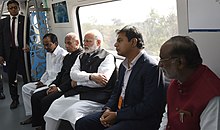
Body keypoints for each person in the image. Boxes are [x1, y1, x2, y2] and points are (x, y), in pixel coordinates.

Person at [75, 25, 166, 130]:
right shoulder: (123, 65)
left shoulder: (151, 67)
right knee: (82, 123)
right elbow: (116, 92)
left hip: (140, 119)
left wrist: (118, 115)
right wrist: (108, 109)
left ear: (133, 42)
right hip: (119, 111)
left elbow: (149, 106)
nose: (115, 44)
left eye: (120, 40)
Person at [44, 29, 117, 130]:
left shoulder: (107, 57)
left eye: (88, 41)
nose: (85, 44)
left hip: (97, 96)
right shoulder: (81, 56)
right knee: (55, 106)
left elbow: (101, 83)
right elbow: (73, 74)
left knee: (73, 113)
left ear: (98, 42)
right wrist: (91, 76)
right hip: (80, 92)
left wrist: (78, 82)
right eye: (84, 41)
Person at [158, 36, 220, 130]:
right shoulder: (175, 83)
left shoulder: (212, 94)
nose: (159, 64)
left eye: (163, 60)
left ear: (180, 62)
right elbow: (167, 117)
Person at [30, 32, 83, 130]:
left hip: (68, 88)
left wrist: (58, 89)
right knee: (36, 96)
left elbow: (73, 78)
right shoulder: (68, 56)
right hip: (60, 85)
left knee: (45, 100)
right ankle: (38, 123)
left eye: (69, 43)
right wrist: (54, 84)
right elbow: (61, 73)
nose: (66, 46)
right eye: (65, 43)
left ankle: (45, 127)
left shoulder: (81, 56)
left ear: (77, 43)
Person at [21, 33, 68, 125]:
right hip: (46, 81)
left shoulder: (63, 55)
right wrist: (41, 81)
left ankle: (39, 118)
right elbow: (47, 71)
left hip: (53, 84)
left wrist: (46, 84)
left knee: (35, 93)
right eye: (44, 45)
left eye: (48, 44)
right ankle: (32, 115)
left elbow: (59, 75)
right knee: (25, 88)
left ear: (56, 43)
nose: (46, 47)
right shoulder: (48, 54)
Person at [0, 0, 31, 109]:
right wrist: (1, 55)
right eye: (11, 8)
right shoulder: (3, 22)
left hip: (22, 51)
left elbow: (31, 35)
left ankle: (29, 99)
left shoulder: (25, 20)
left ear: (18, 8)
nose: (13, 9)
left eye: (15, 7)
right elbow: (1, 40)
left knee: (26, 76)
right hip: (10, 53)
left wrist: (29, 45)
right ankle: (14, 99)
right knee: (11, 78)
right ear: (8, 9)